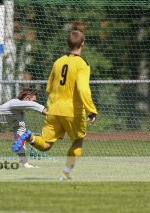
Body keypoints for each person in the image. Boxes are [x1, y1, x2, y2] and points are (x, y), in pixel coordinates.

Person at [12, 30, 98, 180]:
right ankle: (65, 174)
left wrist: (54, 102)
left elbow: (48, 88)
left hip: (53, 109)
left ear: (68, 44)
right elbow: (83, 88)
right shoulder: (82, 64)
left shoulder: (58, 62)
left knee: (45, 144)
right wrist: (92, 110)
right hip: (72, 112)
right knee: (77, 142)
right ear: (82, 44)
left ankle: (30, 136)